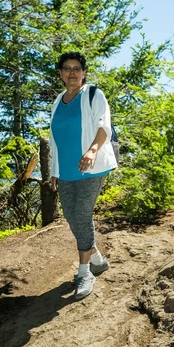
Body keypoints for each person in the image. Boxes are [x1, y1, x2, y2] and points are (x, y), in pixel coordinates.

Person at [49, 52, 117, 300]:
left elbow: (104, 126)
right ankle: (97, 258)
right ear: (60, 74)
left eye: (77, 68)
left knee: (81, 214)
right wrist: (54, 171)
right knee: (71, 217)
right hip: (66, 170)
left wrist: (92, 150)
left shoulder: (93, 94)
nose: (72, 73)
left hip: (92, 165)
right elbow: (55, 140)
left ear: (84, 72)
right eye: (67, 68)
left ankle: (85, 272)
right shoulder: (58, 100)